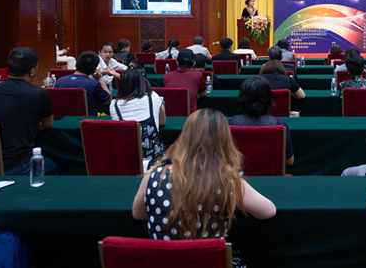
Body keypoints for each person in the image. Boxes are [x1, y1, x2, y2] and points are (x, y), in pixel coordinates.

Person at [132, 108, 276, 265]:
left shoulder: (153, 175)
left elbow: (138, 214)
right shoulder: (227, 179)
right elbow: (268, 211)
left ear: (185, 137)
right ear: (224, 141)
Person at [0, 47, 59, 175]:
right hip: (18, 164)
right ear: (32, 71)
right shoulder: (39, 93)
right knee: (55, 167)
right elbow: (47, 124)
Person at [229, 76, 295, 167]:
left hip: (241, 175)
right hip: (272, 175)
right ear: (269, 98)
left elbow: (228, 158)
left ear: (241, 98)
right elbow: (289, 161)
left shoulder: (232, 122)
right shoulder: (280, 125)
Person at [110, 67, 166, 167]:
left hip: (127, 161)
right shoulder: (153, 96)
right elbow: (162, 122)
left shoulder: (114, 105)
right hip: (155, 163)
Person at [54, 51, 112, 116]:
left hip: (62, 120)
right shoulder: (93, 84)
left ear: (76, 64)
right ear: (94, 69)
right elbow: (108, 100)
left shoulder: (59, 81)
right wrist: (99, 79)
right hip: (87, 120)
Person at [164, 49, 207, 115]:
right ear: (194, 63)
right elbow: (203, 93)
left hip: (170, 115)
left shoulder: (166, 76)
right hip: (191, 117)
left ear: (177, 63)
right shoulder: (198, 75)